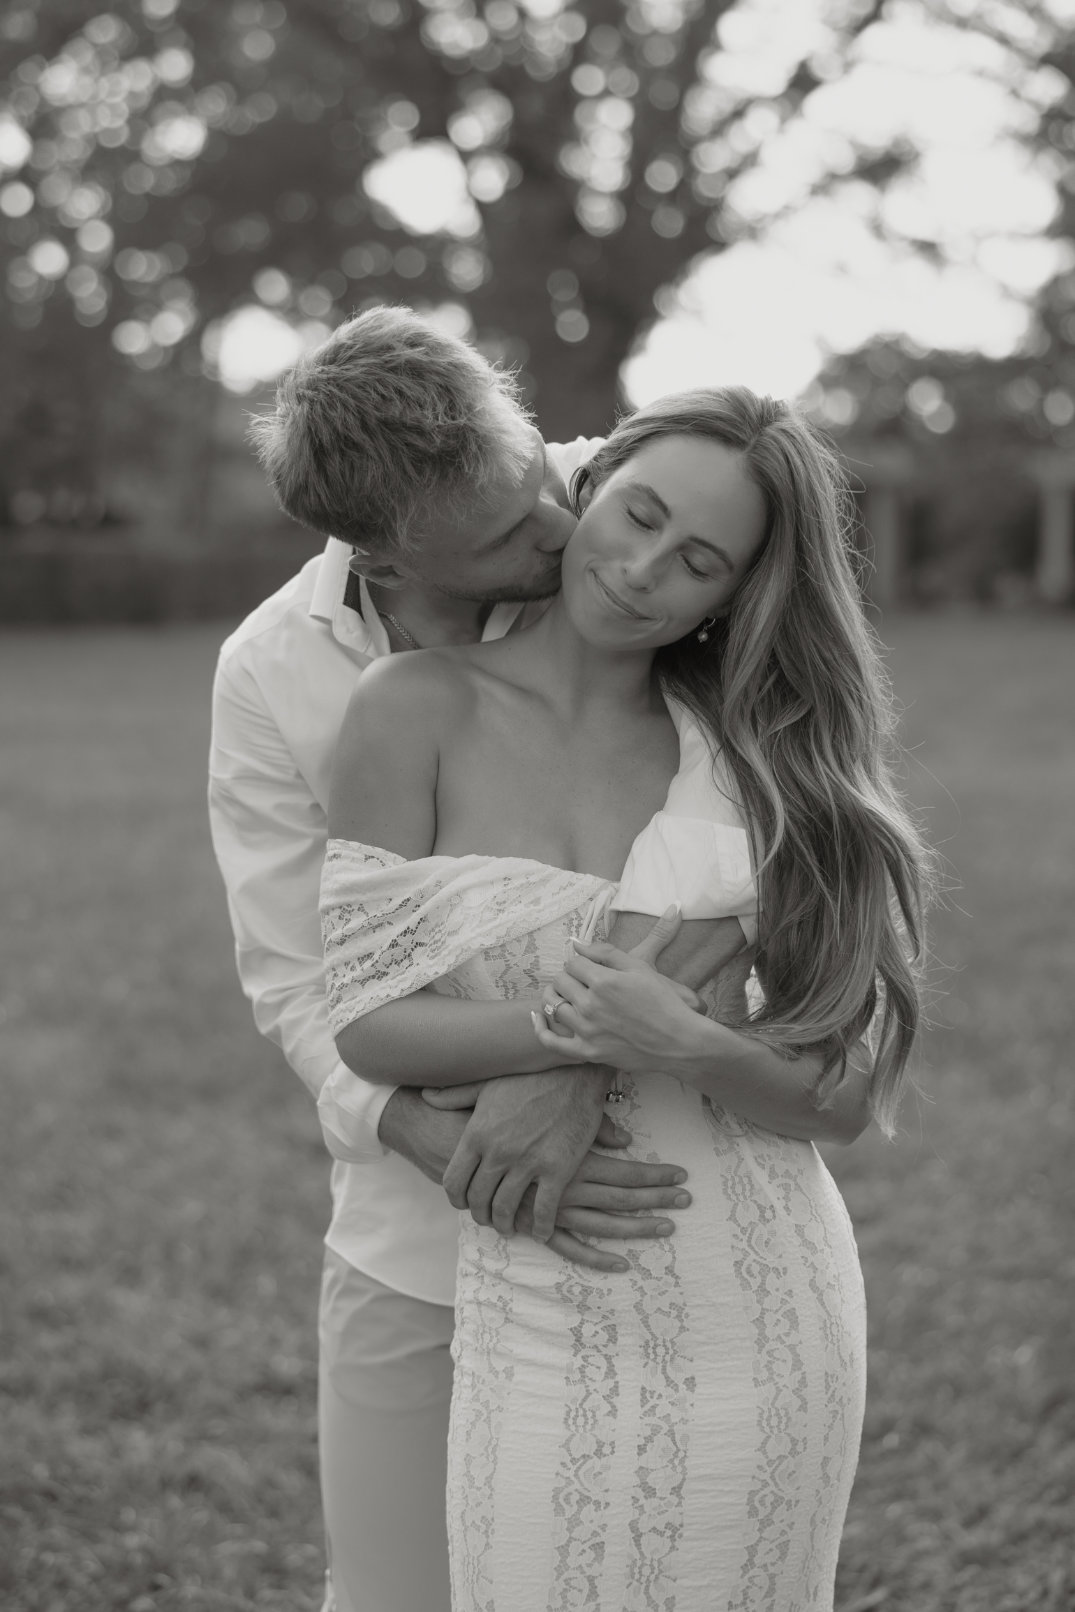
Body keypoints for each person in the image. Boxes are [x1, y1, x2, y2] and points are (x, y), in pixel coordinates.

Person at [320, 386, 935, 1611]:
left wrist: (690, 1045)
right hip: (535, 1298)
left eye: (698, 559)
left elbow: (842, 1099)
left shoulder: (765, 756)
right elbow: (372, 1023)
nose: (644, 568)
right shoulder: (410, 709)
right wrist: (590, 1035)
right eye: (639, 514)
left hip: (760, 1314)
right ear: (586, 486)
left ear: (734, 593)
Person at [209, 306, 768, 1612]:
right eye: (506, 534)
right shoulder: (273, 673)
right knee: (395, 1592)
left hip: (658, 1222)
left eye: (537, 481)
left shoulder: (631, 523)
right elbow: (295, 981)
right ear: (386, 551)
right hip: (409, 1239)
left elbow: (754, 806)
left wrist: (577, 1052)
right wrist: (433, 1139)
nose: (559, 532)